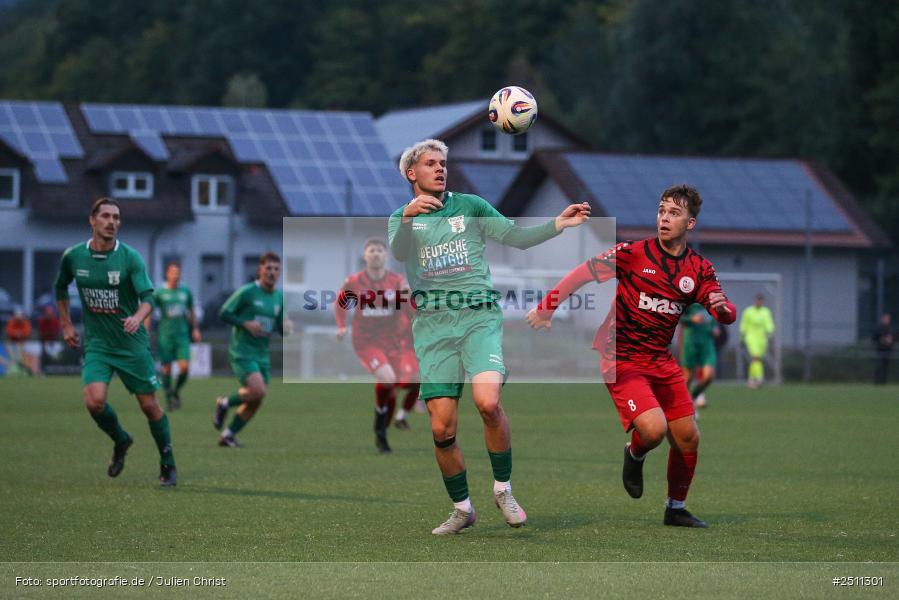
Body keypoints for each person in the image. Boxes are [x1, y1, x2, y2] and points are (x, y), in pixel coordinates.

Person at [388, 139, 591, 535]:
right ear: (412, 174)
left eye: (443, 163)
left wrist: (558, 224)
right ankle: (463, 508)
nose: (440, 168)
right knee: (441, 429)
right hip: (433, 328)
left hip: (478, 317)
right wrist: (410, 217)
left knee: (487, 402)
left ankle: (503, 489)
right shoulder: (400, 218)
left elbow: (514, 235)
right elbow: (398, 252)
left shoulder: (472, 206)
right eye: (431, 163)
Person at [526, 184, 736, 528]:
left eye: (674, 213)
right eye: (661, 211)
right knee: (653, 430)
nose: (664, 218)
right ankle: (634, 452)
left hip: (660, 361)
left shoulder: (699, 269)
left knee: (688, 436)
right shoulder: (634, 253)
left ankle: (675, 508)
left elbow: (725, 313)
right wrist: (547, 308)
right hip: (619, 356)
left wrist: (722, 308)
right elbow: (583, 273)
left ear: (690, 224)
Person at [54, 197, 177, 486]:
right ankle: (121, 439)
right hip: (98, 345)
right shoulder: (73, 256)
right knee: (94, 402)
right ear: (92, 220)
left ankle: (168, 462)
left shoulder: (130, 257)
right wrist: (67, 324)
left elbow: (149, 298)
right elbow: (60, 286)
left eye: (117, 217)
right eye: (106, 216)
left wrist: (137, 316)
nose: (112, 222)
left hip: (132, 345)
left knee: (149, 406)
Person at [335, 238, 420, 453]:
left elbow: (410, 309)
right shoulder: (354, 281)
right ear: (365, 256)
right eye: (371, 251)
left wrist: (418, 318)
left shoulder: (397, 281)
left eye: (380, 250)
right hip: (366, 341)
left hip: (392, 342)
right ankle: (379, 427)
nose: (375, 254)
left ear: (386, 256)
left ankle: (382, 429)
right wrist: (341, 326)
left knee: (392, 389)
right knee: (388, 378)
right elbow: (340, 304)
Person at [213, 252, 292, 448]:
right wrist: (245, 324)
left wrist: (287, 327)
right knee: (258, 390)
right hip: (242, 351)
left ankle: (228, 435)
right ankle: (223, 403)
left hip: (261, 355)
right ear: (260, 270)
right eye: (268, 268)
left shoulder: (279, 297)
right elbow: (224, 312)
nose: (272, 273)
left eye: (276, 269)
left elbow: (281, 328)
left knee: (257, 398)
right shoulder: (247, 292)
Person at [145, 262, 201, 410]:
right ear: (167, 274)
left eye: (178, 272)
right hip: (165, 336)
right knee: (167, 370)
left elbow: (191, 311)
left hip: (182, 336)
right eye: (173, 272)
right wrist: (146, 329)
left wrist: (195, 329)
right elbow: (149, 310)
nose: (175, 275)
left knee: (185, 368)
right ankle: (169, 397)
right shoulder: (160, 293)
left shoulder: (185, 292)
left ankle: (175, 391)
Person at [678, 303, 718, 409]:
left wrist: (715, 328)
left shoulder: (711, 301)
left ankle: (692, 398)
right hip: (690, 342)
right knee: (688, 377)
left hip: (707, 343)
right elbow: (678, 317)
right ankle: (683, 406)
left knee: (709, 376)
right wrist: (691, 319)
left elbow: (714, 319)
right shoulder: (689, 299)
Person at [740, 294, 775, 388]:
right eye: (757, 300)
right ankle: (759, 378)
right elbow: (744, 324)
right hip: (751, 337)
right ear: (754, 301)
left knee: (757, 359)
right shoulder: (748, 311)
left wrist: (770, 332)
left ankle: (751, 380)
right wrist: (742, 336)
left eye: (761, 301)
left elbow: (769, 323)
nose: (759, 302)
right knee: (755, 357)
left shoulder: (766, 312)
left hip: (762, 338)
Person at [5, 309, 33, 375]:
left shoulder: (25, 322)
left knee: (21, 356)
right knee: (12, 355)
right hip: (12, 342)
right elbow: (8, 331)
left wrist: (20, 334)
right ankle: (12, 370)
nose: (19, 319)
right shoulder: (11, 322)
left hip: (22, 342)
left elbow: (28, 332)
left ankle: (24, 370)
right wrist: (16, 333)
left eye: (20, 317)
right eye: (17, 317)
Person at [872, 312, 893, 384]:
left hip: (888, 351)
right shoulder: (879, 328)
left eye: (889, 319)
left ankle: (884, 382)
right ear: (883, 318)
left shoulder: (889, 328)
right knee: (879, 366)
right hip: (880, 350)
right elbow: (875, 338)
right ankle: (877, 381)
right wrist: (883, 340)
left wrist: (890, 340)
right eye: (887, 318)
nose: (888, 320)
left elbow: (891, 339)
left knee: (886, 367)